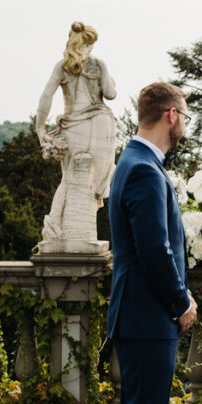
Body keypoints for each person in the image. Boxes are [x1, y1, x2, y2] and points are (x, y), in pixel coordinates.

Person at [106, 82, 198, 404]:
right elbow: (154, 250)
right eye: (184, 113)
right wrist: (180, 301)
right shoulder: (142, 170)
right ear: (170, 115)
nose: (185, 121)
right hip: (145, 317)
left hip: (139, 315)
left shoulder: (135, 163)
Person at [35, 21, 118, 246]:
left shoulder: (62, 66)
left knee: (69, 178)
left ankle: (54, 229)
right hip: (99, 125)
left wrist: (39, 127)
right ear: (89, 43)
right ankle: (76, 235)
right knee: (94, 183)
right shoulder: (98, 64)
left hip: (74, 126)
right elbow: (110, 94)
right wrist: (111, 81)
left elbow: (46, 97)